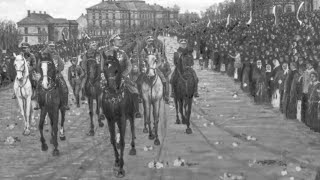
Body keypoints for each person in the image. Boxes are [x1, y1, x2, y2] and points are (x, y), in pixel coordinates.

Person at [101, 34, 141, 119]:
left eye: (120, 39)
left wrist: (123, 75)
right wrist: (106, 76)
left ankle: (136, 111)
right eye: (118, 40)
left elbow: (129, 65)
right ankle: (103, 112)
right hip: (110, 77)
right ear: (112, 42)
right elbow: (102, 67)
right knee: (102, 92)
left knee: (135, 91)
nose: (120, 41)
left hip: (122, 77)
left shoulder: (123, 53)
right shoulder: (106, 53)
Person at [140, 35, 170, 103]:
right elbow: (141, 60)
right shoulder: (143, 51)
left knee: (163, 79)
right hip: (146, 68)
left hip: (154, 68)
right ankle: (140, 96)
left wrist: (156, 66)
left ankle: (165, 95)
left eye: (151, 41)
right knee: (139, 80)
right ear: (146, 42)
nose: (150, 42)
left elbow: (159, 60)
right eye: (149, 41)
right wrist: (144, 65)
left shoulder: (156, 50)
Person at [43, 41, 70, 111]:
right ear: (47, 46)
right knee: (39, 86)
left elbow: (62, 64)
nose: (52, 48)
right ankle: (39, 103)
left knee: (64, 87)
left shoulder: (56, 54)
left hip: (56, 74)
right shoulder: (44, 54)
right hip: (46, 74)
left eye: (53, 46)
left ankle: (65, 103)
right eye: (50, 46)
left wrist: (58, 69)